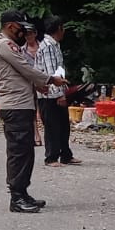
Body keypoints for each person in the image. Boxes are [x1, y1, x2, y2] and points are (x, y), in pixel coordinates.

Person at [0, 10, 67, 213]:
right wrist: (50, 80)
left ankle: (23, 193)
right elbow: (25, 68)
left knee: (26, 151)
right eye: (20, 27)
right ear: (10, 26)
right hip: (15, 105)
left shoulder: (11, 45)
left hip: (22, 103)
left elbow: (21, 74)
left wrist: (38, 85)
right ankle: (16, 197)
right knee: (18, 152)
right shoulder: (3, 45)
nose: (23, 31)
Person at [35, 16, 81, 166]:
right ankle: (51, 157)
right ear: (59, 28)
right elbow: (51, 72)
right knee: (52, 126)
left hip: (57, 89)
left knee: (63, 125)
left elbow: (58, 69)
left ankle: (65, 155)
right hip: (49, 94)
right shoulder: (48, 46)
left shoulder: (55, 45)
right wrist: (60, 94)